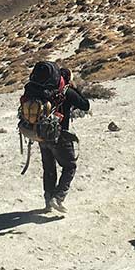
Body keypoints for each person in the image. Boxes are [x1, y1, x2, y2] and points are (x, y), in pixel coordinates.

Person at [30, 60, 89, 213]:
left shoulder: (41, 90)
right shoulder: (66, 92)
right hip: (60, 136)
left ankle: (48, 200)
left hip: (41, 135)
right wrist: (74, 88)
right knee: (69, 166)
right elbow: (85, 105)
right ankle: (58, 197)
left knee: (49, 169)